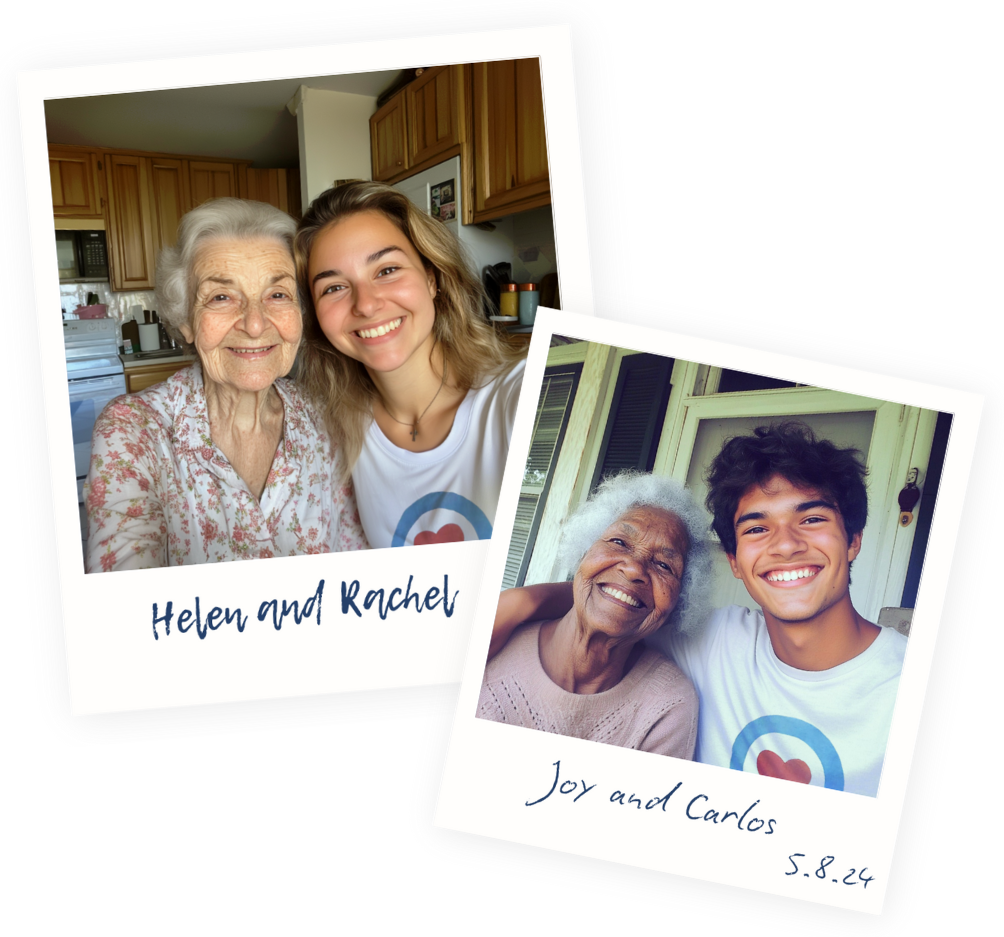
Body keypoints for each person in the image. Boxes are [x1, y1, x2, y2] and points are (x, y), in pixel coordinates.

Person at [493, 424, 908, 796]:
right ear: (734, 559)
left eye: (812, 518)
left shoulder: (906, 685)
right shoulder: (713, 641)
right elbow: (619, 599)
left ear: (852, 540)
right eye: (757, 528)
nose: (785, 545)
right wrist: (519, 601)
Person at [84, 198, 367, 572]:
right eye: (220, 297)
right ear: (185, 320)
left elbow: (356, 563)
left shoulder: (325, 417)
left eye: (278, 294)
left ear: (300, 313)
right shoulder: (135, 431)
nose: (254, 323)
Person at [294, 182, 526, 548]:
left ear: (432, 278)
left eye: (386, 270)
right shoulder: (333, 428)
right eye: (333, 287)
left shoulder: (521, 396)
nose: (366, 305)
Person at [479, 472, 712, 758]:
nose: (634, 569)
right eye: (619, 542)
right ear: (584, 552)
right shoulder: (497, 633)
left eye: (664, 565)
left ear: (680, 599)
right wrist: (522, 601)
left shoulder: (668, 705)